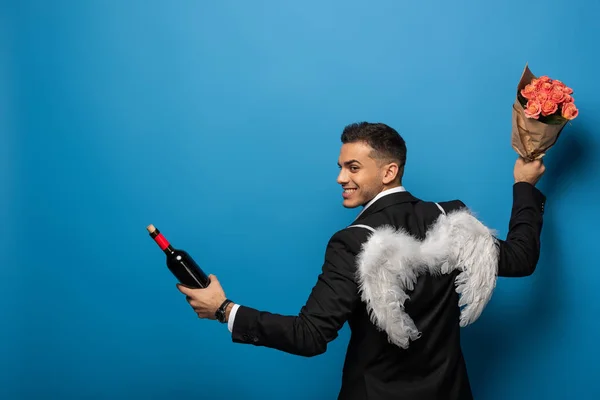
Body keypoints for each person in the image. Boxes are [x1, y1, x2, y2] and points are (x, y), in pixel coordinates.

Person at [176, 122, 546, 400]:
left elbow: (309, 337)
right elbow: (520, 258)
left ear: (389, 171)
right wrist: (524, 185)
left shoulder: (352, 242)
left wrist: (224, 310)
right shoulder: (451, 221)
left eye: (353, 168)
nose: (340, 178)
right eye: (340, 167)